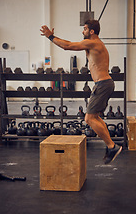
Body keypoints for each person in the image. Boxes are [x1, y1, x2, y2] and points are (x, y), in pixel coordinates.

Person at [40, 19, 122, 164]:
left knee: (89, 118)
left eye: (84, 29)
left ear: (92, 31)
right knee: (94, 117)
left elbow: (68, 46)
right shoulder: (93, 44)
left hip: (103, 84)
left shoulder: (93, 42)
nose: (82, 31)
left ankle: (112, 146)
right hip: (103, 84)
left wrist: (50, 36)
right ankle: (111, 146)